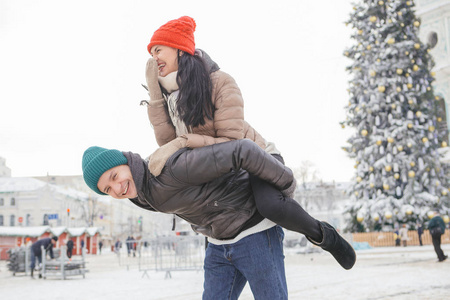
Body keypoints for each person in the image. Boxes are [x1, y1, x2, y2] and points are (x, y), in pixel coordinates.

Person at [142, 15, 339, 268]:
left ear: (179, 49)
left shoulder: (219, 82)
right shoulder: (170, 97)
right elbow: (168, 144)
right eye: (150, 53)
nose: (153, 58)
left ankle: (325, 235)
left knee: (270, 205)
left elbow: (231, 143)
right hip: (224, 166)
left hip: (257, 156)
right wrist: (156, 96)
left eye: (158, 49)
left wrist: (184, 142)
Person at [82, 139, 356, 299]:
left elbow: (243, 151)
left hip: (255, 232)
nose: (116, 188)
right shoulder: (140, 194)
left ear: (123, 162)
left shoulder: (169, 170)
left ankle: (325, 236)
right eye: (108, 189)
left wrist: (285, 183)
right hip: (218, 245)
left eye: (115, 177)